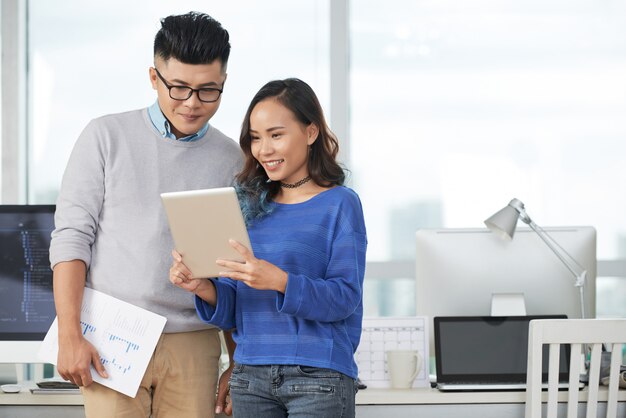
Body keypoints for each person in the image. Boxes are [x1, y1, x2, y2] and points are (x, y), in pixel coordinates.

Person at [49, 12, 243, 418]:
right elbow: (72, 237)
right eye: (179, 88)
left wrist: (237, 358)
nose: (192, 103)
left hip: (195, 341)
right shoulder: (105, 137)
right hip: (111, 337)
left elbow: (232, 267)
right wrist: (69, 333)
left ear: (224, 82)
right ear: (154, 78)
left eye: (209, 90)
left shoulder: (233, 159)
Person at [169, 78, 367, 417]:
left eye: (276, 135)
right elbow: (235, 309)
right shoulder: (248, 206)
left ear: (310, 132)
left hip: (317, 376)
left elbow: (345, 299)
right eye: (256, 138)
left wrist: (280, 281)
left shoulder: (340, 204)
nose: (264, 149)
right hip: (250, 378)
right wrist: (203, 287)